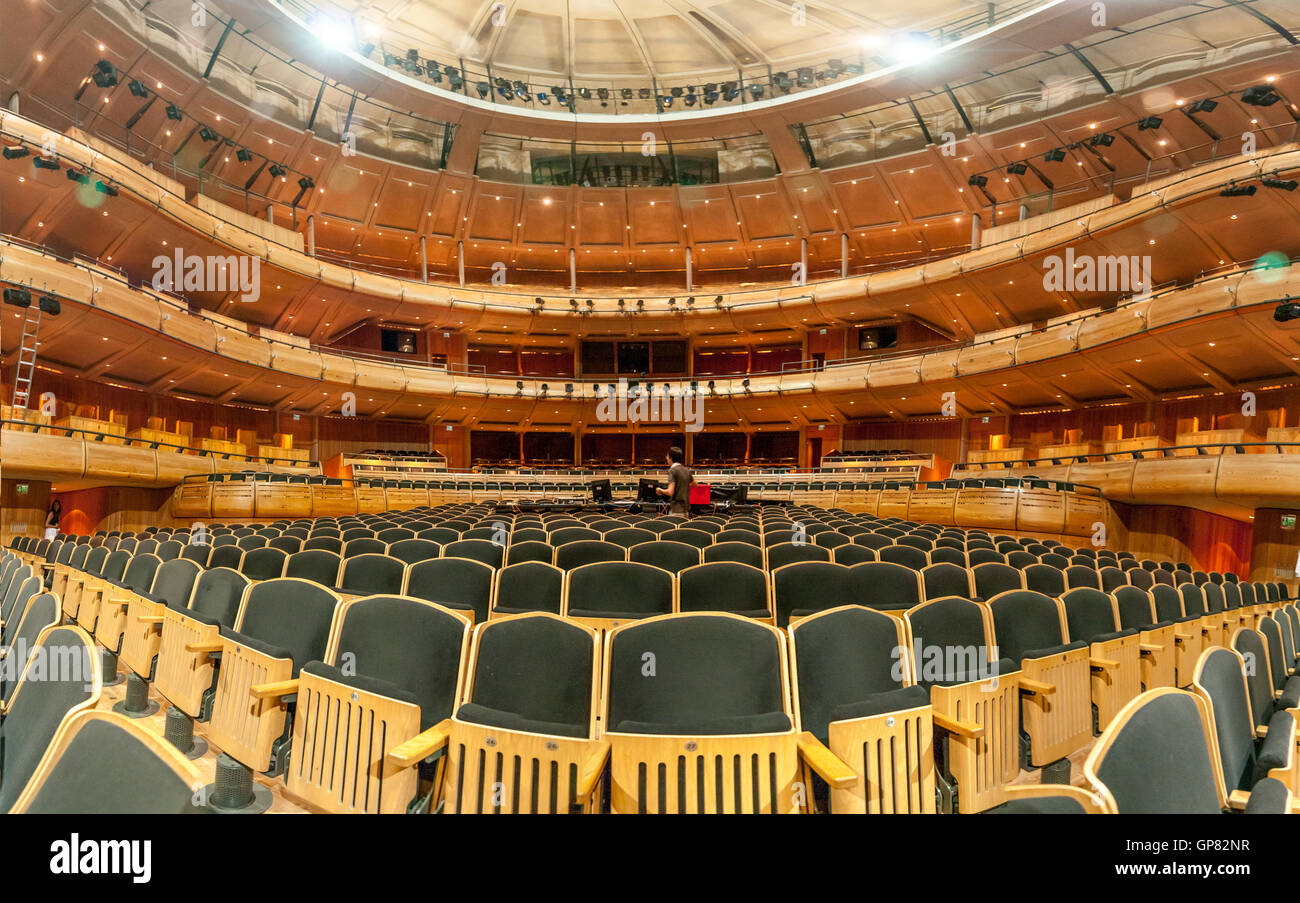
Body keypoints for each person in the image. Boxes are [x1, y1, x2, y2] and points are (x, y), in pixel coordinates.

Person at [656, 447, 695, 518]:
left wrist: (659, 490)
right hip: (686, 510)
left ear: (671, 458)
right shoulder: (686, 470)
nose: (666, 458)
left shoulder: (672, 470)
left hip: (676, 511)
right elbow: (695, 484)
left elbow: (670, 492)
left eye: (667, 456)